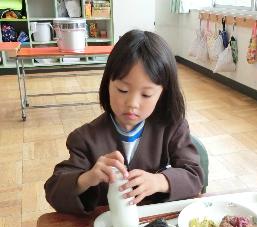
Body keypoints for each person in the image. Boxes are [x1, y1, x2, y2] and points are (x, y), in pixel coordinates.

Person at [45, 30, 204, 214]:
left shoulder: (172, 127)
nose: (132, 104)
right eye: (122, 90)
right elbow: (54, 191)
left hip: (154, 224)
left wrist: (160, 181)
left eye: (146, 94)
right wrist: (87, 178)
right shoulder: (84, 138)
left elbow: (194, 175)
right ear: (107, 84)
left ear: (162, 94)